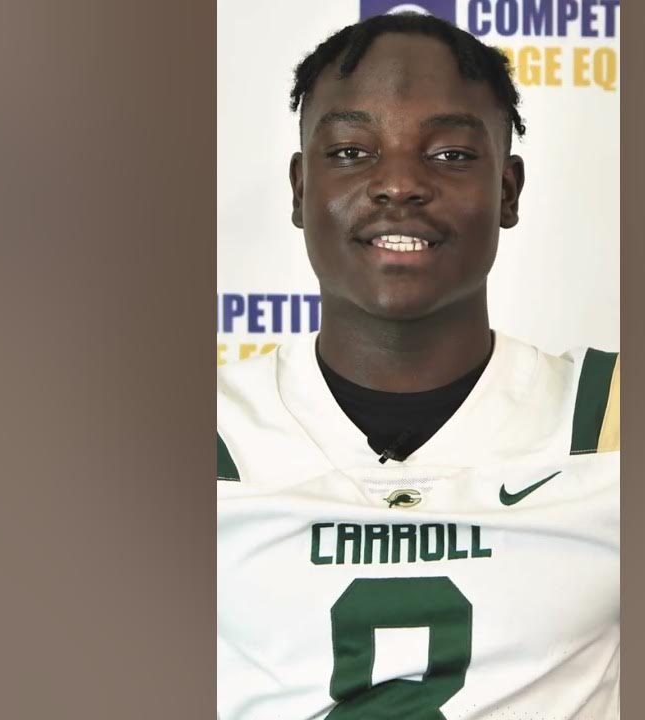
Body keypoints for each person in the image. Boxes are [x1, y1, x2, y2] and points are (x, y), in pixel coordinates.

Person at [217, 12, 619, 719]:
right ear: (300, 189)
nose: (399, 184)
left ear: (508, 191)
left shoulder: (616, 424)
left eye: (451, 154)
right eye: (351, 151)